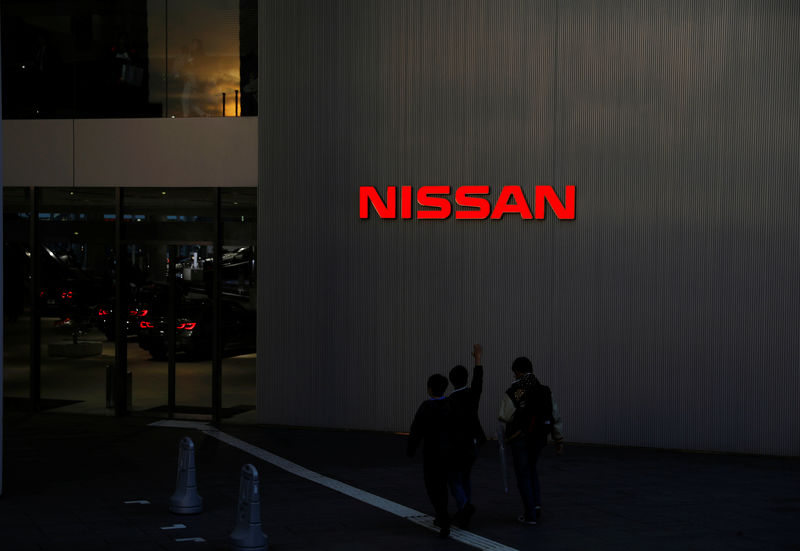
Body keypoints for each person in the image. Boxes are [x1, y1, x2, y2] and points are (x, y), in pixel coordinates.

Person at [499, 356, 564, 525]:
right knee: (532, 470)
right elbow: (555, 416)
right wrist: (559, 440)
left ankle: (529, 514)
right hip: (539, 438)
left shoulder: (517, 390)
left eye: (515, 373)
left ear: (518, 372)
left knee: (523, 474)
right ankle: (536, 506)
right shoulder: (544, 389)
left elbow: (504, 415)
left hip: (520, 438)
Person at [446, 344, 487, 528]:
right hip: (474, 442)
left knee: (454, 477)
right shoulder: (472, 395)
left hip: (457, 446)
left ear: (451, 381)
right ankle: (464, 509)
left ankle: (464, 506)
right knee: (466, 477)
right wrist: (477, 359)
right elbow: (478, 381)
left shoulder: (450, 402)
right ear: (466, 378)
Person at [407, 374, 452, 538]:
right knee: (443, 485)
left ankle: (442, 516)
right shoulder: (450, 405)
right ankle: (443, 515)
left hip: (432, 453)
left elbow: (416, 430)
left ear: (430, 389)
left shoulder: (426, 407)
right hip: (448, 452)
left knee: (432, 485)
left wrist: (411, 449)